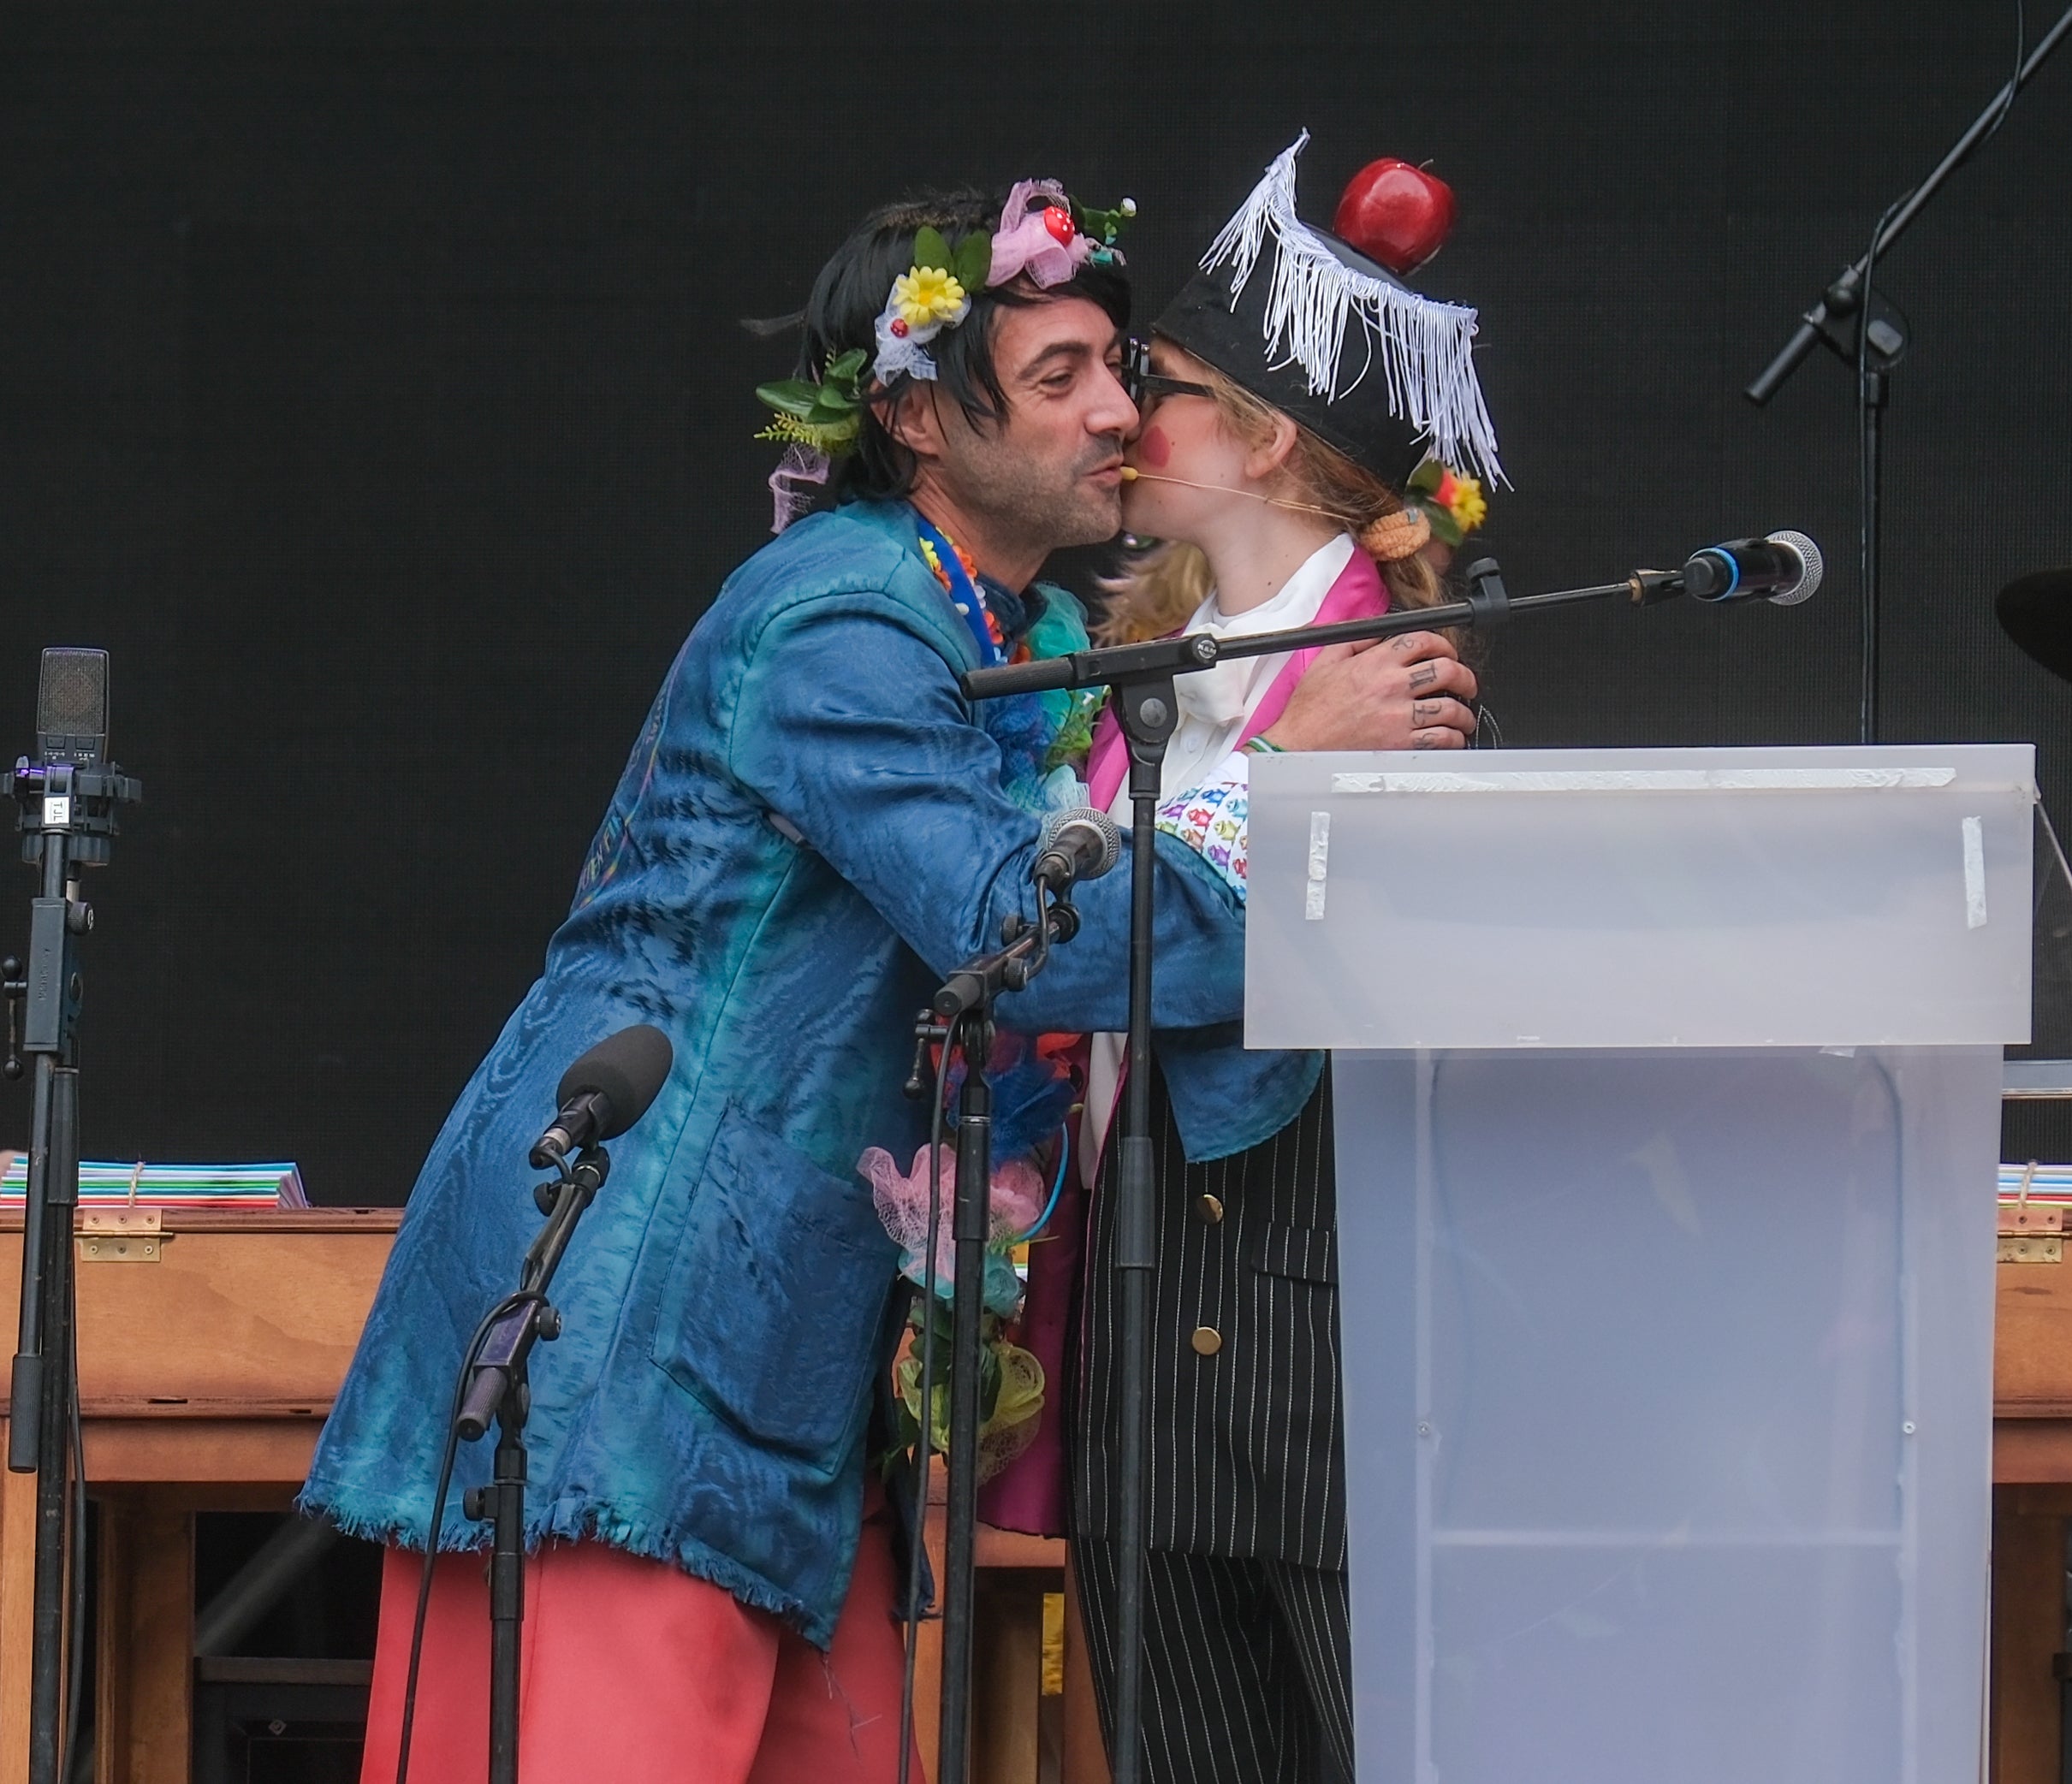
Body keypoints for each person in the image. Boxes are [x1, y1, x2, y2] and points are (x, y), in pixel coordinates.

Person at [299, 173, 1477, 1784]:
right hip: (636, 1339)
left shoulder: (990, 619)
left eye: (1121, 370)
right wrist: (1278, 780)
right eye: (1061, 379)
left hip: (779, 1371)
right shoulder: (844, 619)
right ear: (922, 416)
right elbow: (1021, 929)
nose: (1116, 412)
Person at [1060, 134, 1505, 1784]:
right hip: (1146, 1338)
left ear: (1260, 436)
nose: (1121, 416)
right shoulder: (1141, 674)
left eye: (1156, 382)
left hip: (1332, 1350)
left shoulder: (1410, 678)